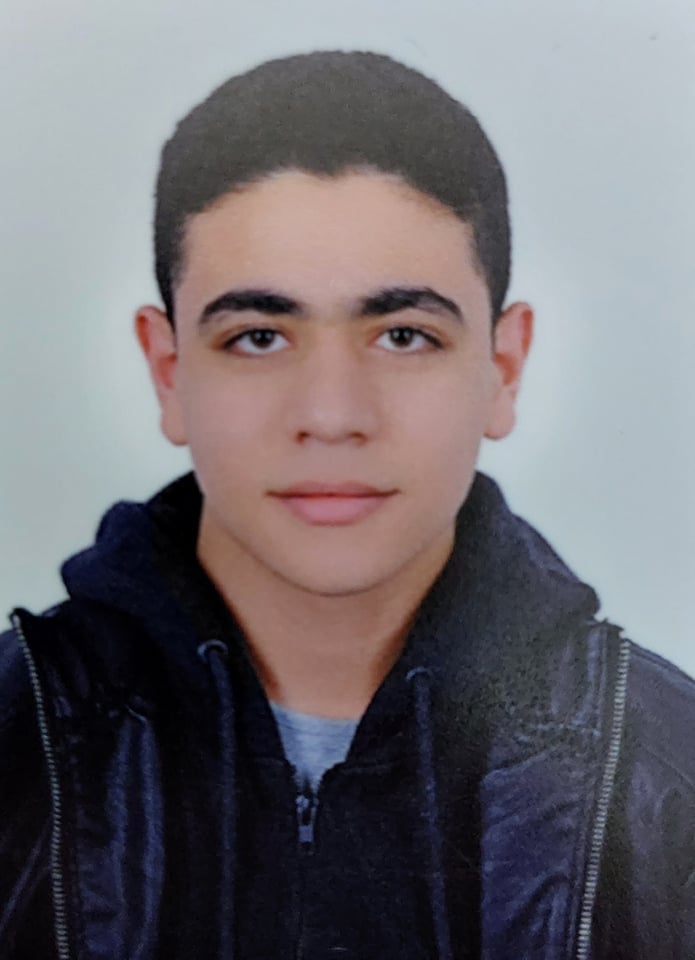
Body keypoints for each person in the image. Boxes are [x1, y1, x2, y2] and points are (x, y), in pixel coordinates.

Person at [1, 50, 693, 960]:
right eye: (258, 337)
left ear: (503, 366)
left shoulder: (669, 775)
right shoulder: (13, 746)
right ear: (168, 373)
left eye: (403, 335)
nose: (331, 416)